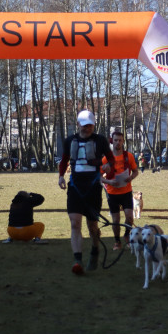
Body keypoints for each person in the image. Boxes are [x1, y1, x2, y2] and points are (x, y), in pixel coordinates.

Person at [58, 109, 114, 274]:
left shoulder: (100, 140)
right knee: (75, 223)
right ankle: (77, 261)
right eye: (84, 125)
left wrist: (107, 165)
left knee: (92, 225)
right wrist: (61, 176)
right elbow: (64, 160)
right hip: (75, 187)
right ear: (78, 124)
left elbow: (110, 158)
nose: (86, 128)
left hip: (93, 187)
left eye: (90, 125)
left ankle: (95, 250)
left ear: (93, 125)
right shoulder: (70, 140)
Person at [100, 130, 138, 250]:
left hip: (126, 191)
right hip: (112, 193)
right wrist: (109, 182)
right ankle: (117, 241)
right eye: (115, 140)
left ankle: (127, 235)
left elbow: (136, 171)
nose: (118, 143)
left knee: (130, 217)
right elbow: (98, 176)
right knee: (116, 220)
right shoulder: (106, 158)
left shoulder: (129, 156)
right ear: (112, 141)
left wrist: (131, 177)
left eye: (120, 140)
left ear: (123, 141)